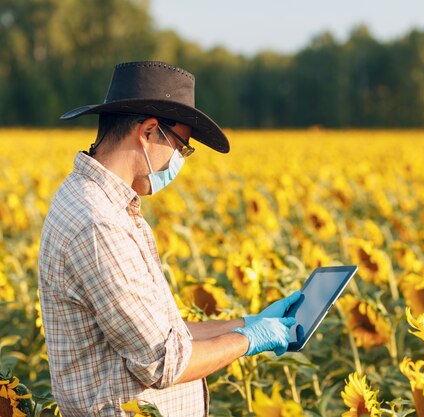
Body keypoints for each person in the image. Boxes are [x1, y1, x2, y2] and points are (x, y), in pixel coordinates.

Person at [38, 61, 300, 417]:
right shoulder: (98, 225)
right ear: (147, 132)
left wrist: (246, 322)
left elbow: (161, 333)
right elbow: (165, 363)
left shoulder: (101, 205)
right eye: (181, 147)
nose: (179, 160)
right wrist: (249, 341)